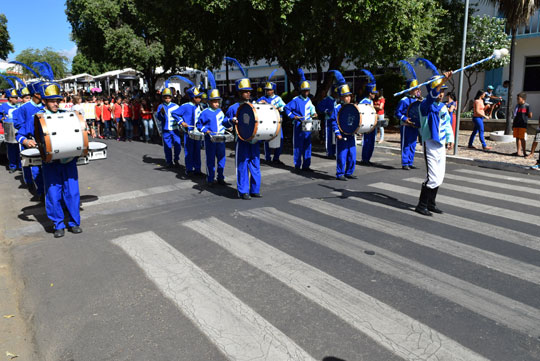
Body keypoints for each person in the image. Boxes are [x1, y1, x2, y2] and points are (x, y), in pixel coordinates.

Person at [34, 82, 83, 238]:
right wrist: (26, 141)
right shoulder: (39, 117)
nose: (56, 103)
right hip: (51, 163)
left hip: (69, 161)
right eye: (52, 100)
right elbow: (23, 134)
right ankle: (58, 224)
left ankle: (74, 223)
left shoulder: (67, 115)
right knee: (53, 194)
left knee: (72, 192)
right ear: (44, 101)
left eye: (58, 100)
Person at [415, 70, 454, 216]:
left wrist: (450, 139)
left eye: (443, 91)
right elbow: (431, 97)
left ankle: (431, 204)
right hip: (430, 143)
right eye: (439, 90)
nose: (441, 93)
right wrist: (443, 80)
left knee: (439, 177)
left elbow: (447, 124)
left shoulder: (443, 107)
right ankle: (421, 205)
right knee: (432, 177)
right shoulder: (425, 105)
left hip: (441, 144)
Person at [223, 57, 261, 199]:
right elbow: (224, 122)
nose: (248, 93)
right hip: (241, 140)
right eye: (245, 91)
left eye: (249, 91)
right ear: (240, 93)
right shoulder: (233, 108)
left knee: (255, 164)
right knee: (242, 165)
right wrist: (231, 121)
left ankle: (255, 189)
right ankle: (243, 191)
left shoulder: (255, 106)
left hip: (254, 140)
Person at [13, 80, 45, 199]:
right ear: (36, 94)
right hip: (31, 142)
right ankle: (41, 192)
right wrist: (26, 140)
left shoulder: (45, 106)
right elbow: (19, 126)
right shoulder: (24, 108)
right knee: (35, 169)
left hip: (47, 143)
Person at [197, 70, 228, 185]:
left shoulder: (220, 111)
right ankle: (210, 178)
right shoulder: (204, 112)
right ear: (209, 102)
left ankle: (220, 177)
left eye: (218, 101)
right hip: (210, 139)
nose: (217, 104)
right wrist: (206, 130)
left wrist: (227, 128)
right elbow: (199, 125)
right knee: (210, 160)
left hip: (220, 139)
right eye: (214, 102)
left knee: (222, 159)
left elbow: (223, 123)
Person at [284, 68, 318, 171]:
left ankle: (306, 166)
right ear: (301, 90)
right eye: (304, 91)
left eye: (307, 90)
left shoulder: (309, 100)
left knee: (308, 145)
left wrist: (314, 113)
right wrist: (293, 116)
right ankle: (297, 165)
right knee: (298, 146)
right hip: (298, 126)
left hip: (307, 124)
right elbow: (286, 108)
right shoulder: (296, 100)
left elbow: (312, 109)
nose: (306, 92)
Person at [328, 70, 356, 180]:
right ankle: (340, 174)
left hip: (351, 133)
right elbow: (333, 121)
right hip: (342, 134)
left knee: (352, 155)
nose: (348, 98)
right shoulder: (337, 108)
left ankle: (349, 172)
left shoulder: (352, 107)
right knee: (342, 155)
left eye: (349, 96)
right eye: (346, 96)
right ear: (341, 97)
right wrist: (337, 133)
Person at [175, 78, 203, 176]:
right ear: (193, 98)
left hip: (197, 132)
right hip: (189, 132)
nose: (200, 99)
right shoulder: (185, 106)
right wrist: (181, 122)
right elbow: (175, 114)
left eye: (200, 97)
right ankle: (189, 169)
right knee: (189, 151)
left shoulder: (200, 106)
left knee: (197, 151)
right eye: (198, 97)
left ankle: (198, 169)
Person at [258, 70, 286, 164]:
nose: (267, 91)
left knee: (279, 139)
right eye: (266, 90)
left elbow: (284, 107)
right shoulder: (262, 98)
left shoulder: (278, 98)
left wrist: (278, 107)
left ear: (273, 90)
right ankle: (267, 157)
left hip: (277, 121)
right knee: (267, 139)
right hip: (266, 122)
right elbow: (255, 105)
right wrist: (260, 103)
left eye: (269, 90)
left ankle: (276, 158)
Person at [156, 88, 182, 168]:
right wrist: (161, 113)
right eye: (165, 97)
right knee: (167, 146)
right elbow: (158, 118)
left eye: (169, 97)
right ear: (163, 98)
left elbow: (180, 115)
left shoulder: (175, 106)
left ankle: (176, 159)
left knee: (178, 145)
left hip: (175, 129)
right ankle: (169, 161)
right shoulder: (160, 106)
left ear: (171, 97)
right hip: (166, 130)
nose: (167, 99)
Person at [358, 69, 379, 166]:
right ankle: (364, 159)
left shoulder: (371, 102)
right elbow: (360, 111)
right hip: (367, 126)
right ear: (370, 93)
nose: (375, 95)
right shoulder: (364, 101)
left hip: (372, 125)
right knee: (366, 142)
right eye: (373, 93)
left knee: (371, 143)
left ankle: (368, 158)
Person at [1, 88, 22, 173]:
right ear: (10, 98)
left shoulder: (19, 106)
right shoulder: (3, 106)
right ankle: (12, 166)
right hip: (9, 130)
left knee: (19, 148)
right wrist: (2, 118)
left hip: (18, 130)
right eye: (15, 98)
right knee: (11, 149)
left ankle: (20, 166)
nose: (17, 99)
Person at [317, 84, 338, 159]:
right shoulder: (327, 99)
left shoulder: (335, 100)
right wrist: (327, 111)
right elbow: (319, 107)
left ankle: (333, 152)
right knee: (328, 137)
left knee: (334, 137)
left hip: (335, 121)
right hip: (328, 120)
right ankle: (329, 153)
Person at [512, 92, 532, 157]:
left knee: (522, 138)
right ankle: (518, 151)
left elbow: (530, 115)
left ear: (523, 99)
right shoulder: (517, 106)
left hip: (522, 124)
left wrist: (527, 115)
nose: (517, 100)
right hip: (516, 124)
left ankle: (524, 152)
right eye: (517, 98)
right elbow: (515, 115)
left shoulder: (527, 106)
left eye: (518, 99)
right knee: (517, 137)